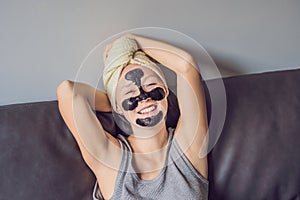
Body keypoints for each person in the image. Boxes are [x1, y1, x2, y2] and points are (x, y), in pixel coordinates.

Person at [56, 34, 208, 199]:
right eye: (130, 93)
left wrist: (129, 41)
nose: (144, 97)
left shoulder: (188, 146)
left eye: (151, 85)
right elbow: (68, 92)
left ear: (165, 91)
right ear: (118, 107)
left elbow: (186, 65)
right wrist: (116, 103)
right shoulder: (111, 159)